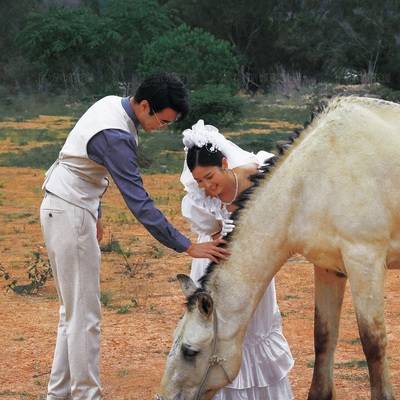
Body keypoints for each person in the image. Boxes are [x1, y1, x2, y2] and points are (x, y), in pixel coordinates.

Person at [40, 74, 228, 400]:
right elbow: (139, 202)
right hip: (68, 210)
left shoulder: (113, 105)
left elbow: (85, 163)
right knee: (84, 319)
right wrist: (187, 245)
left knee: (72, 314)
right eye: (163, 119)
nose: (162, 127)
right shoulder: (115, 134)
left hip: (70, 207)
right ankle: (87, 396)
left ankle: (58, 395)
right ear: (144, 106)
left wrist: (95, 212)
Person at [180, 120, 294, 400]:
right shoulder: (199, 198)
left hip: (253, 267)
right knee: (215, 332)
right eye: (199, 181)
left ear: (224, 162)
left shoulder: (259, 175)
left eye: (209, 176)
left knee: (253, 330)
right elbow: (208, 231)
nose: (207, 186)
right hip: (215, 262)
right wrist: (219, 234)